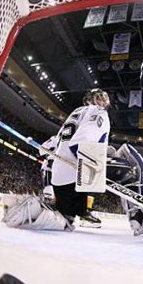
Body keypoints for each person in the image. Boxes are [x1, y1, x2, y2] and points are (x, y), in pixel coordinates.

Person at [50, 88, 111, 228]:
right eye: (98, 98)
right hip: (74, 175)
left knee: (66, 219)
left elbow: (55, 143)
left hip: (59, 176)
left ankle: (79, 212)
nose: (102, 101)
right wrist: (88, 167)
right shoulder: (97, 111)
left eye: (103, 98)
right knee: (123, 166)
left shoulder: (76, 112)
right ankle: (138, 215)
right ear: (90, 100)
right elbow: (82, 142)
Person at [38, 135, 58, 204]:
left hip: (59, 166)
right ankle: (48, 196)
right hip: (49, 166)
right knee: (49, 186)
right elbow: (41, 150)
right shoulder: (55, 138)